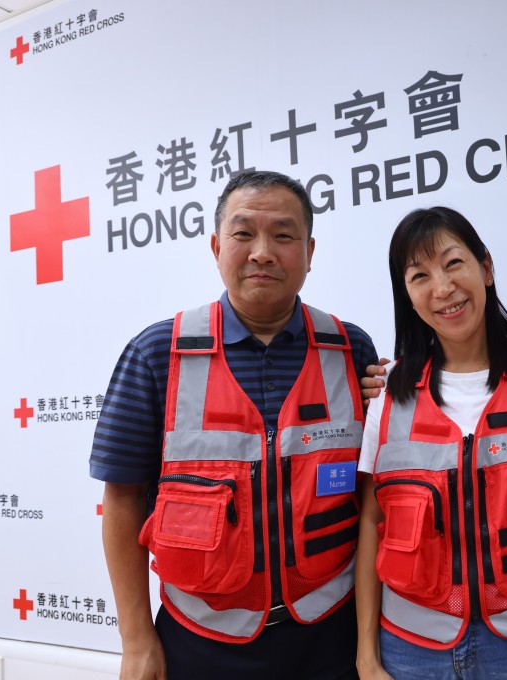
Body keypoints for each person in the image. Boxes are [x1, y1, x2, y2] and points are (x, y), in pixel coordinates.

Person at [90, 170, 378, 680]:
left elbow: (373, 494)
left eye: (283, 235)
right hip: (200, 643)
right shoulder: (157, 354)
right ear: (216, 246)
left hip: (332, 635)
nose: (263, 252)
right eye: (244, 234)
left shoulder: (351, 349)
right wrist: (136, 641)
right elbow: (123, 500)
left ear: (309, 251)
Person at [354, 207, 507, 680]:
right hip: (411, 649)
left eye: (453, 263)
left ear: (485, 268)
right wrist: (366, 655)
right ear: (408, 294)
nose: (442, 288)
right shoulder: (390, 394)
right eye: (420, 275)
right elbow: (371, 524)